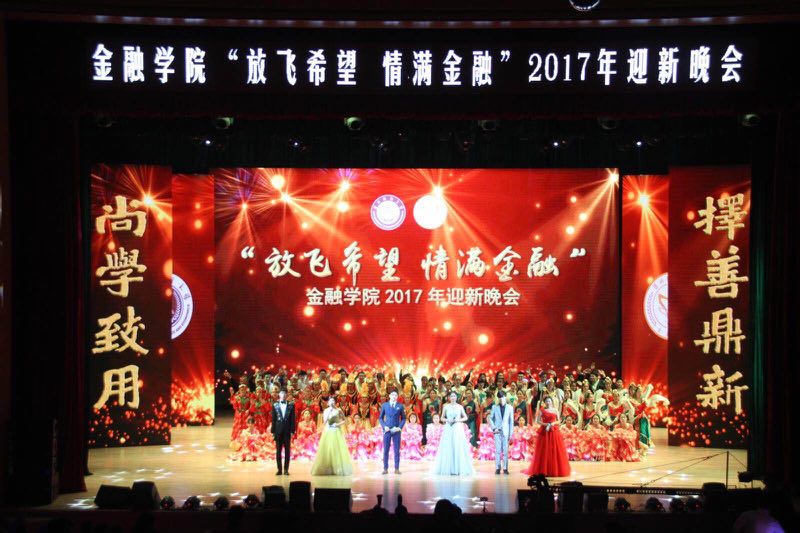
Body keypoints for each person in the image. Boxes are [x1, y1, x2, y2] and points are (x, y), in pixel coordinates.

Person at [523, 396, 570, 477]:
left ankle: (555, 469)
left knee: (554, 449)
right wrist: (546, 424)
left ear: (552, 402)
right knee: (544, 450)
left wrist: (552, 424)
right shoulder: (542, 410)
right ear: (545, 403)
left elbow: (559, 421)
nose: (548, 402)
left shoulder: (555, 410)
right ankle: (544, 469)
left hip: (554, 431)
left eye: (549, 401)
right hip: (544, 431)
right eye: (547, 401)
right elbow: (538, 421)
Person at [431, 391, 474, 476]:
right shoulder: (446, 406)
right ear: (449, 398)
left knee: (457, 446)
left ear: (456, 397)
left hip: (457, 428)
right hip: (448, 428)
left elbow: (465, 417)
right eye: (451, 396)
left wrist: (458, 420)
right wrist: (448, 420)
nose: (453, 398)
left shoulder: (460, 406)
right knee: (448, 446)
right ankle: (449, 468)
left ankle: (458, 468)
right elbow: (442, 418)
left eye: (454, 396)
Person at [311, 396, 353, 475]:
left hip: (336, 431)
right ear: (328, 403)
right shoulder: (326, 410)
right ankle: (327, 468)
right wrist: (329, 412)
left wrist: (338, 424)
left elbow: (345, 420)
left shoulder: (338, 410)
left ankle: (338, 468)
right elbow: (325, 422)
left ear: (335, 402)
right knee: (328, 449)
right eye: (330, 401)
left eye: (333, 400)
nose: (332, 402)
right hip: (328, 431)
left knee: (336, 449)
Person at [379, 390, 406, 474]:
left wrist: (399, 428)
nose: (394, 396)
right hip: (387, 430)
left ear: (397, 397)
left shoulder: (400, 406)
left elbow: (404, 418)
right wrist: (384, 426)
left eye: (396, 395)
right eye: (393, 395)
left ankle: (396, 468)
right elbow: (380, 418)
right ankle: (385, 468)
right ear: (389, 396)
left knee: (396, 450)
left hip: (396, 430)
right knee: (386, 450)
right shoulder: (385, 405)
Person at [489, 390, 514, 475]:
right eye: (499, 397)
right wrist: (494, 428)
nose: (501, 399)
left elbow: (511, 422)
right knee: (498, 450)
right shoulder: (494, 407)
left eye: (502, 397)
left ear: (505, 397)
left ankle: (505, 468)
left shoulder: (510, 408)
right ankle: (497, 468)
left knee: (505, 451)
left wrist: (511, 434)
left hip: (506, 431)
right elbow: (490, 418)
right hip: (497, 431)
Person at [271, 389, 295, 475]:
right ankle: (279, 470)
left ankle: (286, 470)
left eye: (285, 394)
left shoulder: (291, 405)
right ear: (279, 395)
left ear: (286, 395)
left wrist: (292, 430)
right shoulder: (275, 405)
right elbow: (273, 419)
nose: (283, 395)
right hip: (278, 431)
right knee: (278, 451)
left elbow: (293, 419)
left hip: (287, 431)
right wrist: (273, 431)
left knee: (287, 451)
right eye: (282, 394)